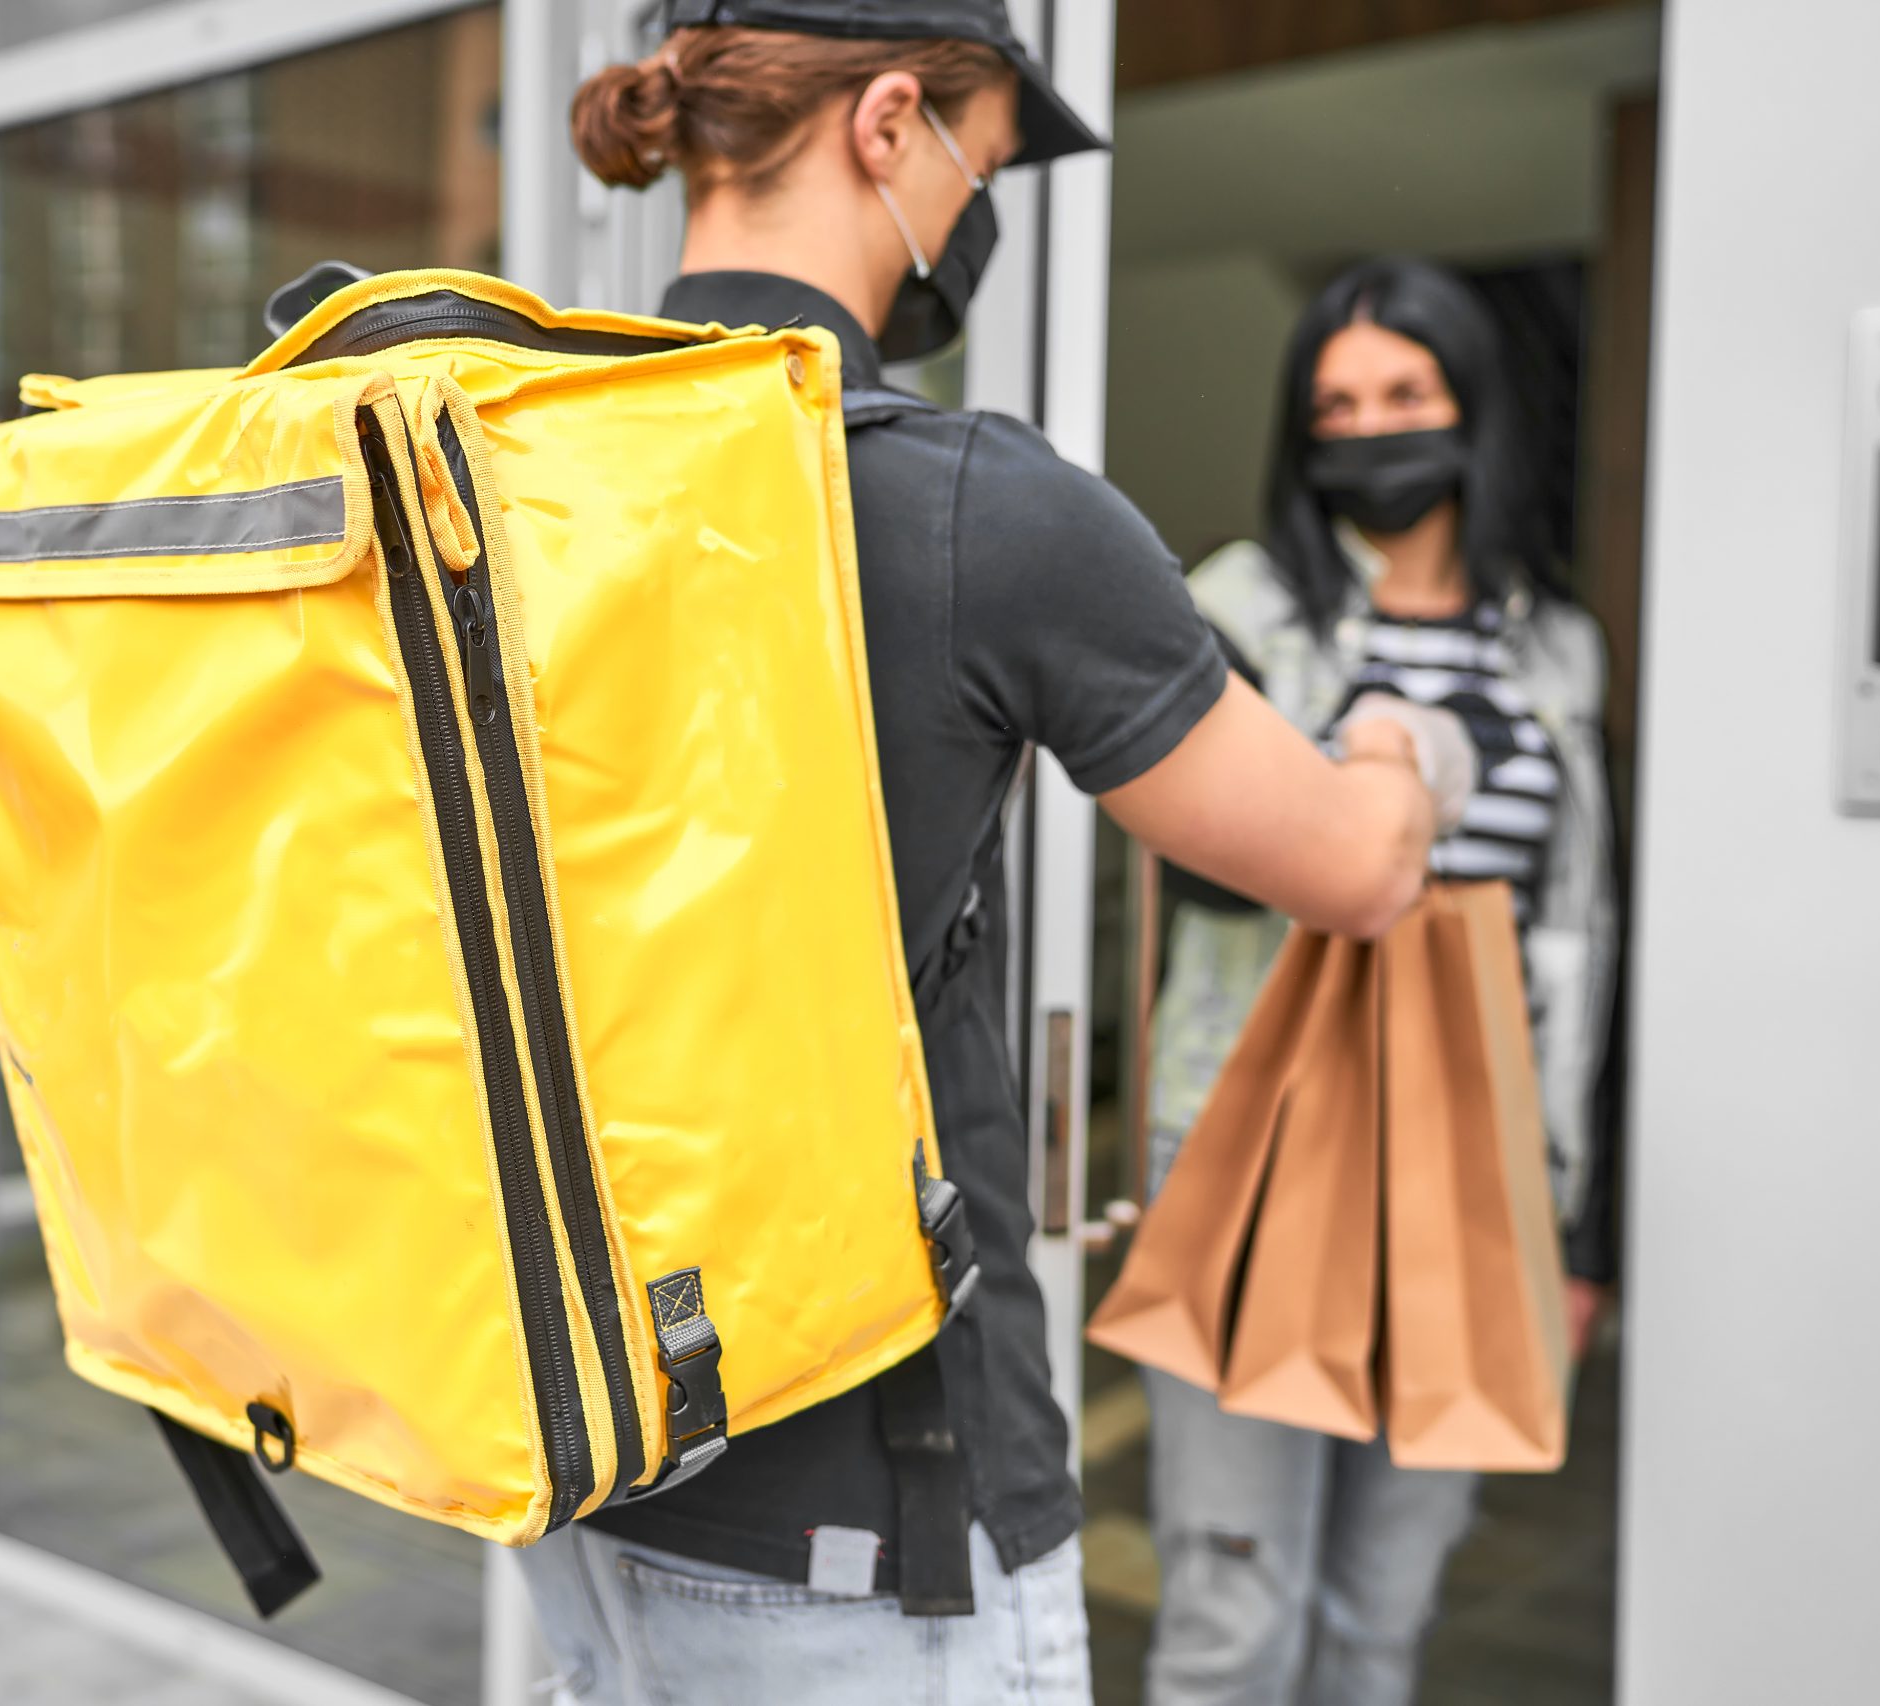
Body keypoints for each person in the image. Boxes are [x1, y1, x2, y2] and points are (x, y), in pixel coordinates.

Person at [520, 10, 1479, 1705]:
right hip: (877, 1519)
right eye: (985, 154)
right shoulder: (979, 507)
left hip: (580, 1454)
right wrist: (1405, 747)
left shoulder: (519, 464)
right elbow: (1349, 865)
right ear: (891, 125)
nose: (983, 203)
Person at [1140, 257, 1622, 1706]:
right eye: (1337, 404)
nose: (1371, 430)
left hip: (1482, 1162)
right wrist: (1390, 763)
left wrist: (1580, 1224)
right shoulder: (1236, 610)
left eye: (1406, 395)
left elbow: (1585, 922)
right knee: (1235, 1615)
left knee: (1382, 1615)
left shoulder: (1555, 644)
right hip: (1261, 1141)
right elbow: (1219, 864)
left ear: (1471, 409)